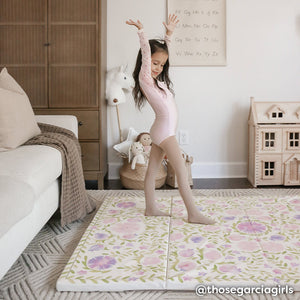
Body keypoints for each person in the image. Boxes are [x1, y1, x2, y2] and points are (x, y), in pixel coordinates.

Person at [126, 15, 215, 224]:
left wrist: (169, 35)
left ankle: (151, 208)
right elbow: (147, 54)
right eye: (154, 63)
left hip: (161, 131)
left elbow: (163, 55)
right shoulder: (145, 78)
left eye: (161, 64)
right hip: (164, 134)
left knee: (152, 171)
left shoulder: (158, 82)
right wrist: (141, 31)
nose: (157, 67)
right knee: (182, 171)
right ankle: (193, 213)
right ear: (146, 62)